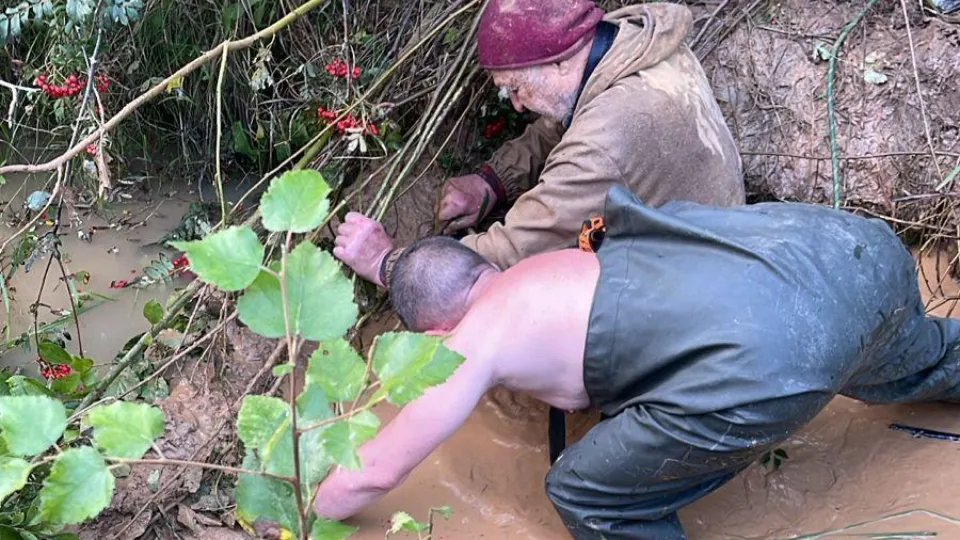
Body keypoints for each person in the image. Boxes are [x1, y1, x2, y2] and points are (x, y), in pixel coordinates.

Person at [315, 184, 960, 539]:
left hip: (780, 356)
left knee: (584, 492)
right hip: (850, 252)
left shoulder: (470, 340)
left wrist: (291, 514)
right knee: (917, 361)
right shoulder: (550, 267)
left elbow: (371, 474)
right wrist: (385, 264)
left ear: (439, 332)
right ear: (484, 269)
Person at [333, 0, 744, 288]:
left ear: (561, 62)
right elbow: (565, 124)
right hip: (728, 243)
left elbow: (510, 252)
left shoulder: (605, 143)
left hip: (694, 295)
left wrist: (388, 264)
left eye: (515, 87)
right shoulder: (631, 43)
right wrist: (490, 183)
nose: (514, 103)